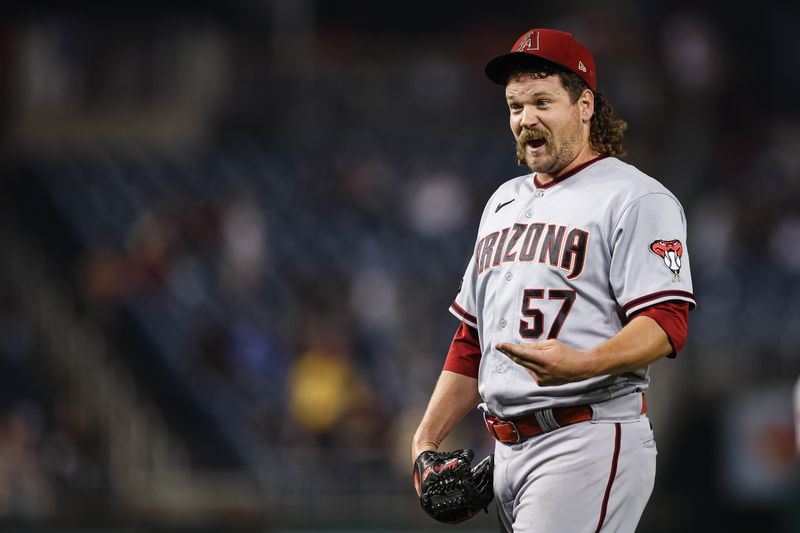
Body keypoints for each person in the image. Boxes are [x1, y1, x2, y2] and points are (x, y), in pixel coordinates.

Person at [411, 28, 695, 532]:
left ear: (585, 105)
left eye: (543, 101)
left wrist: (583, 363)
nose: (526, 119)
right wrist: (426, 440)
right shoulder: (503, 201)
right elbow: (473, 337)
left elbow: (665, 322)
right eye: (515, 106)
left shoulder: (636, 198)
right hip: (504, 453)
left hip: (586, 435)